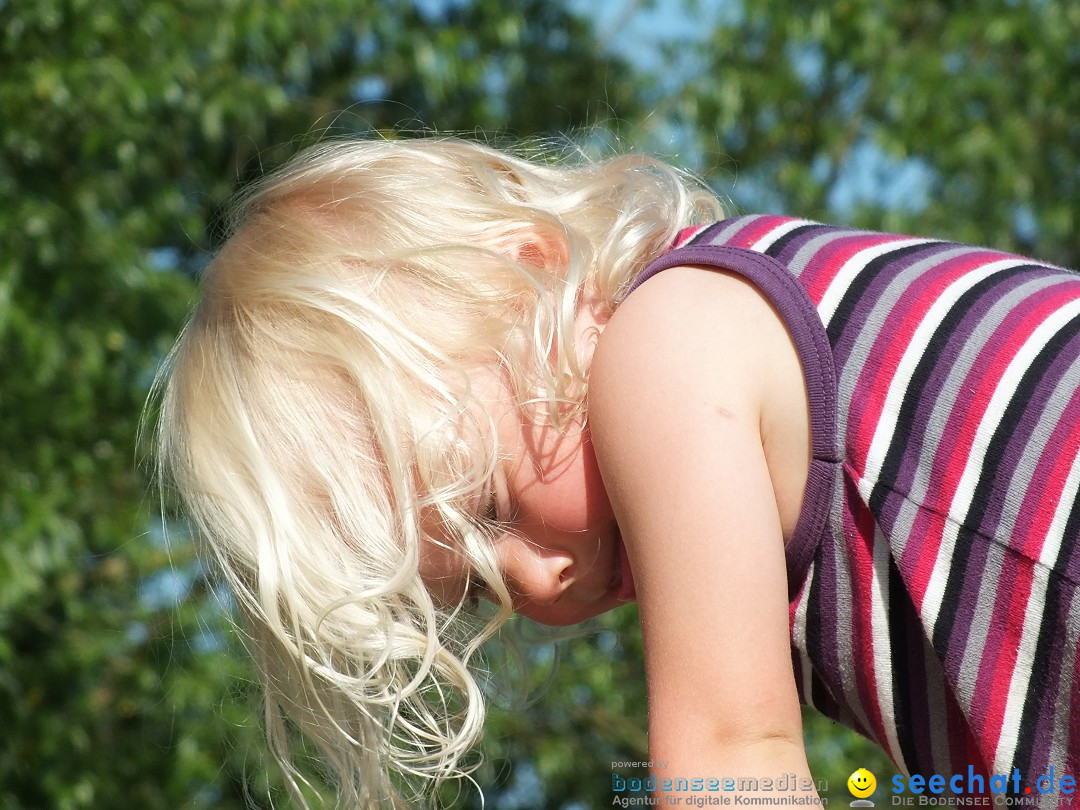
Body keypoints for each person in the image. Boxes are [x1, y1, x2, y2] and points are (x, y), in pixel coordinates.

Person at [152, 136, 1080, 808]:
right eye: (476, 590)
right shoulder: (792, 564)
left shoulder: (667, 341)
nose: (534, 580)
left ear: (528, 279)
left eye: (489, 502)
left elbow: (730, 764)